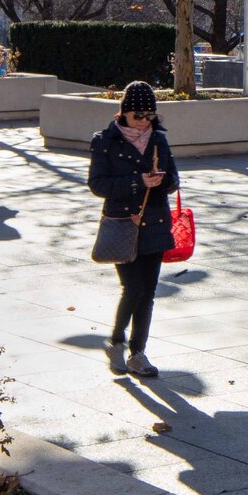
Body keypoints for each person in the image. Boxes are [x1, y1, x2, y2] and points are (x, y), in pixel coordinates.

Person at [89, 79, 178, 377]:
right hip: (122, 224)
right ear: (124, 112)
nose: (143, 122)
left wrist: (161, 180)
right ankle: (116, 341)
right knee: (133, 287)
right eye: (138, 115)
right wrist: (136, 182)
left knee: (148, 292)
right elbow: (97, 184)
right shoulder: (104, 141)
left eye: (149, 116)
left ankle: (138, 354)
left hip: (154, 221)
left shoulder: (159, 140)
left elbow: (174, 181)